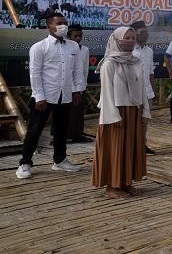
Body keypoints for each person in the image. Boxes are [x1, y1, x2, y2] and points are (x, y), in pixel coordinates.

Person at [16, 13, 83, 180]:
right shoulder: (39, 47)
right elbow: (35, 73)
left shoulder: (73, 47)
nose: (63, 26)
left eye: (65, 23)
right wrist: (39, 97)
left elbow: (77, 71)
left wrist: (77, 91)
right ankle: (25, 163)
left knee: (61, 130)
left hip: (65, 95)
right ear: (49, 26)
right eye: (59, 23)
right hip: (44, 97)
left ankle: (60, 160)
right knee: (34, 131)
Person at [92, 27, 150, 198]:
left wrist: (145, 110)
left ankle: (126, 182)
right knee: (115, 148)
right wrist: (113, 116)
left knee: (130, 148)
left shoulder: (136, 61)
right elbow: (106, 92)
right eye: (127, 38)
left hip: (133, 111)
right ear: (117, 40)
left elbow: (142, 88)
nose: (131, 41)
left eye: (133, 38)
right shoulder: (109, 63)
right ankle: (112, 186)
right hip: (115, 112)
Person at [131, 21, 157, 154]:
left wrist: (153, 90)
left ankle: (142, 145)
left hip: (147, 92)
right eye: (142, 32)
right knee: (133, 121)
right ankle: (132, 146)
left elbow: (151, 72)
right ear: (134, 34)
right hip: (133, 93)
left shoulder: (149, 51)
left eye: (146, 32)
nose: (145, 35)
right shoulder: (129, 51)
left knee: (145, 121)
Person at [66, 24, 92, 143]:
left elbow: (85, 69)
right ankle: (65, 136)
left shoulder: (85, 49)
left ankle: (78, 135)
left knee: (79, 112)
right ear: (69, 36)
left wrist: (82, 86)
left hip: (80, 86)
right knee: (66, 112)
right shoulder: (65, 49)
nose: (78, 38)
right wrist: (72, 88)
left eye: (80, 36)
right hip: (67, 86)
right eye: (75, 36)